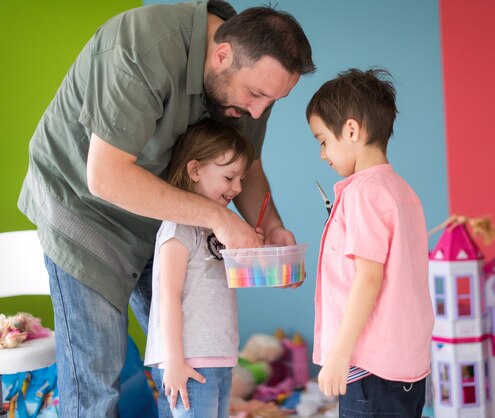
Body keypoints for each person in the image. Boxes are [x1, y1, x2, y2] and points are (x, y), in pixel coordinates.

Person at [17, 0, 314, 416]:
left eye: (273, 100)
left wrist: (272, 226)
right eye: (257, 94)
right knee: (98, 378)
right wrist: (216, 217)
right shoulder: (141, 46)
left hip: (163, 215)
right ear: (222, 55)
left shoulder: (249, 80)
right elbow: (106, 177)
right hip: (84, 207)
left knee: (189, 361)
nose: (258, 111)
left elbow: (248, 164)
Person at [305, 68, 434, 417]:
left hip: (370, 371)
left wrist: (338, 356)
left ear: (350, 130)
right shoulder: (402, 191)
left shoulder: (363, 193)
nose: (322, 154)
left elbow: (368, 278)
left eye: (322, 140)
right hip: (407, 369)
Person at [144, 119, 256, 417]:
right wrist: (175, 361)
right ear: (195, 171)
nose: (238, 187)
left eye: (241, 179)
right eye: (230, 177)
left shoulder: (216, 228)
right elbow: (167, 295)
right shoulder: (178, 228)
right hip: (189, 361)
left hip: (219, 358)